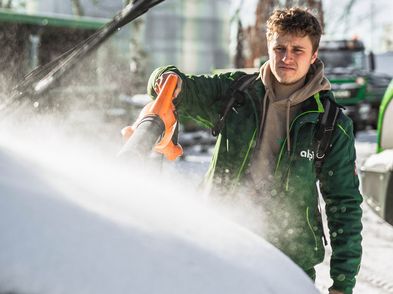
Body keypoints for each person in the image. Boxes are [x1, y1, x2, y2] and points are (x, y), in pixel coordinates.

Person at [144, 7, 362, 294]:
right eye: (279, 48)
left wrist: (342, 284)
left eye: (298, 50)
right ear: (268, 47)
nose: (287, 58)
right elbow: (183, 88)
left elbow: (343, 204)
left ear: (313, 55)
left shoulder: (331, 123)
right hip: (219, 241)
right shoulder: (237, 92)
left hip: (289, 258)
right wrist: (166, 79)